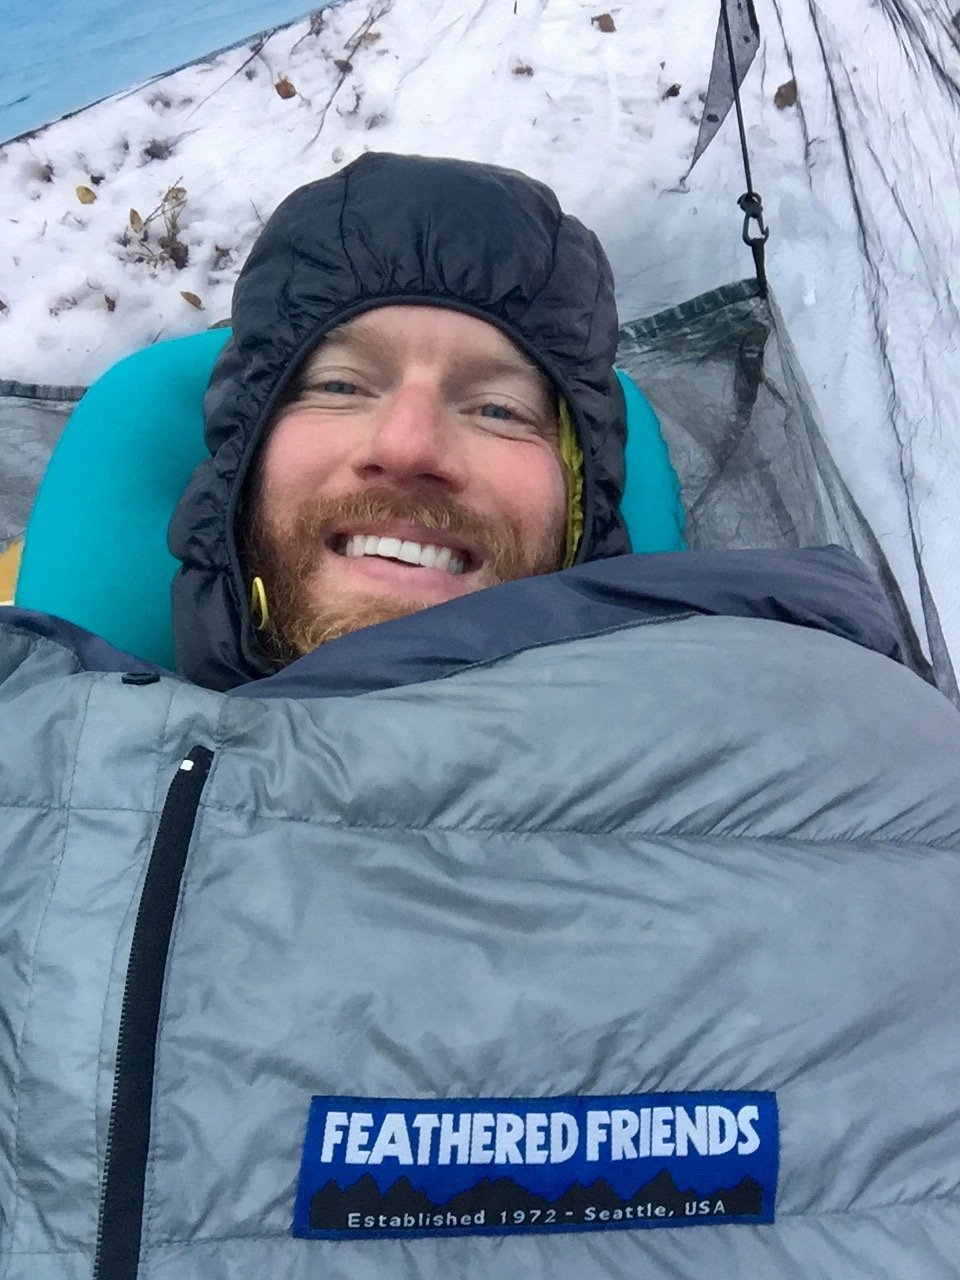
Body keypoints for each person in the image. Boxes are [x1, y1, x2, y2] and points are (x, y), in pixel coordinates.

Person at [1, 152, 959, 1280]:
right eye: (339, 385)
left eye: (499, 405)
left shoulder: (848, 739)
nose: (406, 445)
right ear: (234, 483)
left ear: (580, 510)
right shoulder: (41, 750)